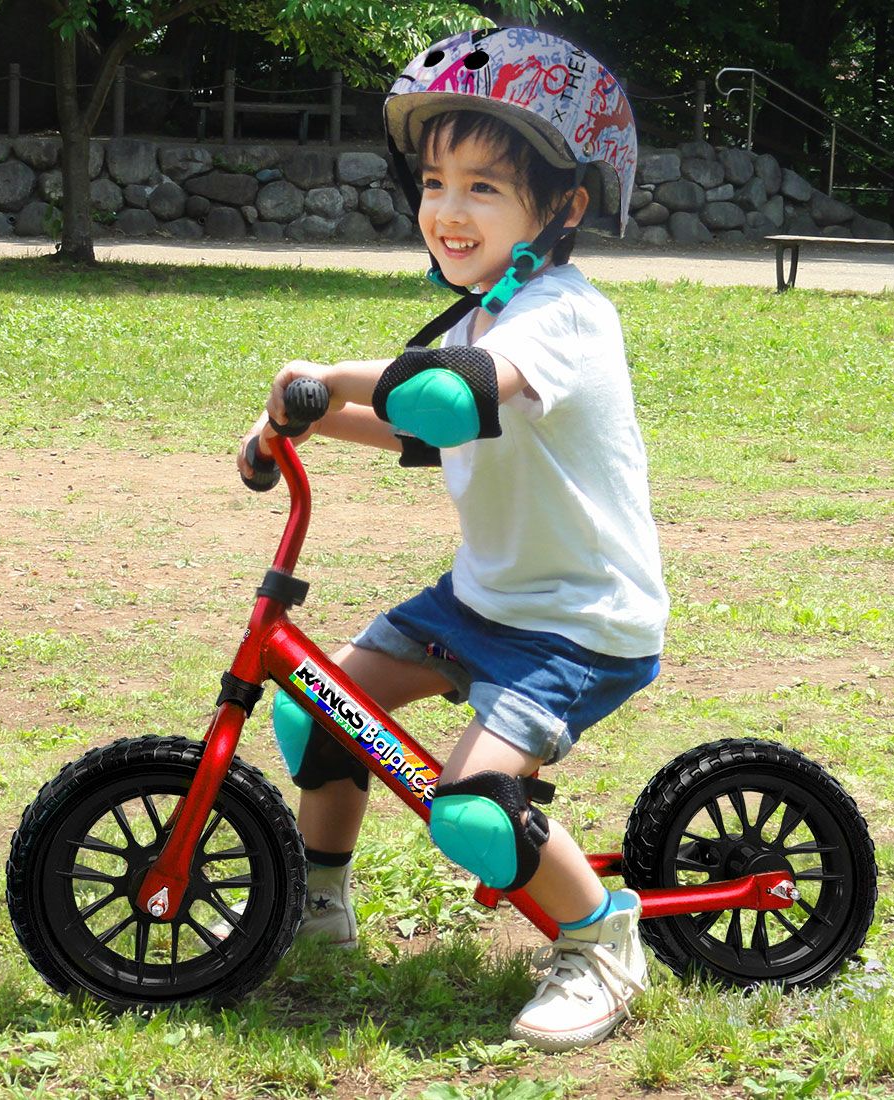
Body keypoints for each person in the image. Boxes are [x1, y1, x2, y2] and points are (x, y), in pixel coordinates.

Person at [234, 27, 669, 1052]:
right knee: (321, 712)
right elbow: (420, 426)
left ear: (562, 207)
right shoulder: (480, 318)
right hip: (480, 601)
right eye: (435, 182)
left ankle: (603, 944)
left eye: (483, 187)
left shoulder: (561, 315)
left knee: (470, 808)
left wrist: (323, 377)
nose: (447, 210)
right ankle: (319, 905)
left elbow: (450, 396)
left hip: (576, 623)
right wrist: (301, 424)